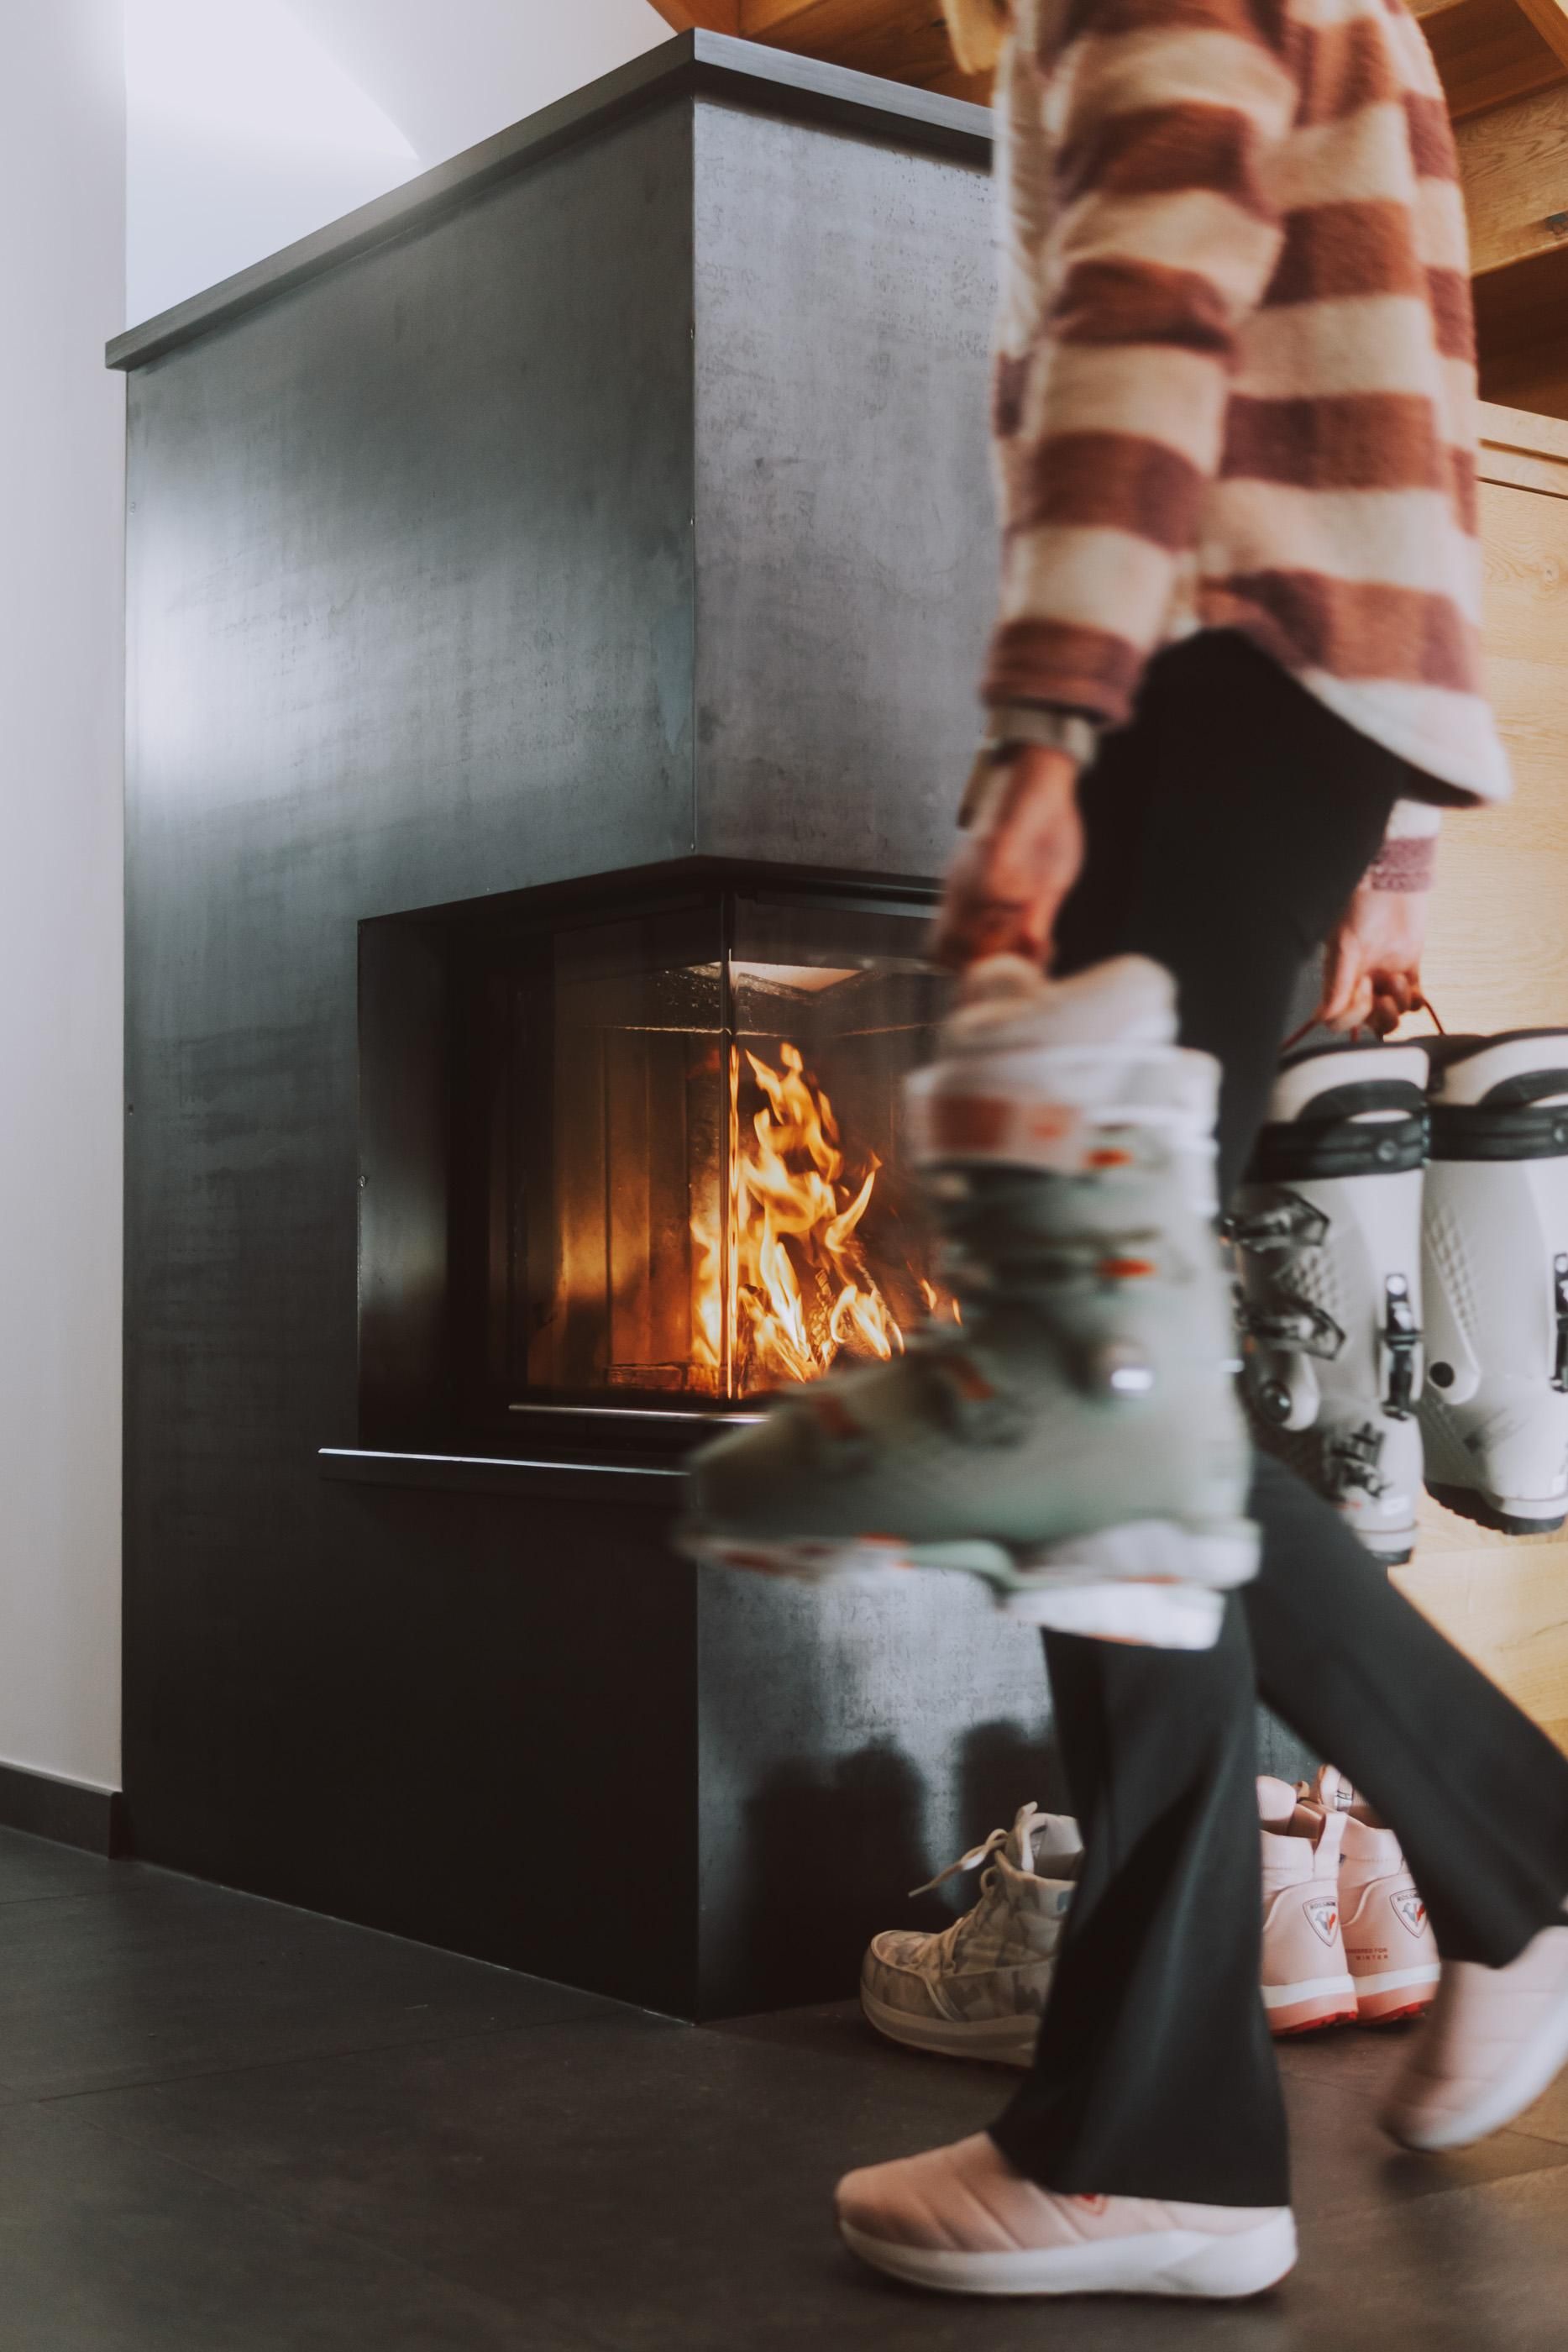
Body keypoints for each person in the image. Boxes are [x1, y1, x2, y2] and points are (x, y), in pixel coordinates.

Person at [705, 0, 1568, 2301]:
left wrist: (1038, 735)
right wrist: (1380, 843)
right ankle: (1212, 2079)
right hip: (1280, 702)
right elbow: (1378, 383)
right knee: (1106, 1383)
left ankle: (1227, 2077)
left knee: (1086, 1380)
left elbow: (1149, 312)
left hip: (1204, 693)